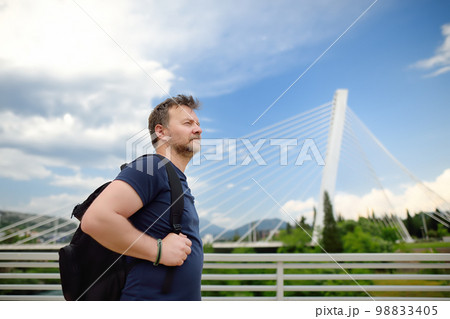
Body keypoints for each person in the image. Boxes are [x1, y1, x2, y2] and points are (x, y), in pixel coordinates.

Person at [81, 94, 203, 300]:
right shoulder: (152, 167)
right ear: (161, 132)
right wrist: (159, 251)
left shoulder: (174, 178)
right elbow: (95, 219)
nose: (199, 129)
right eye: (188, 123)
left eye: (198, 123)